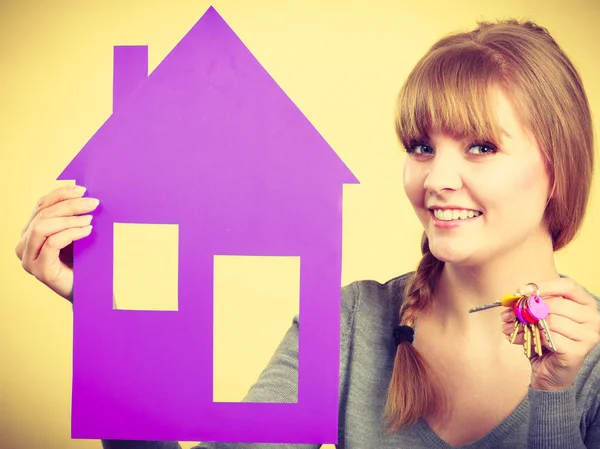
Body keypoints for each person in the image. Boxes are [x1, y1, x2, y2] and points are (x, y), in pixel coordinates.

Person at [15, 18, 600, 449]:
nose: (437, 179)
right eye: (422, 147)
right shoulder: (350, 323)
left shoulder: (592, 366)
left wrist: (551, 398)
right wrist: (107, 324)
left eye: (481, 147)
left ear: (559, 167)